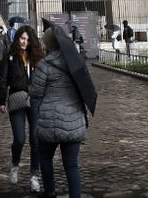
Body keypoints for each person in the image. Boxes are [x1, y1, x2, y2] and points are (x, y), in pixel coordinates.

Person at [31, 26, 90, 198]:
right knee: (71, 165)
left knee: (45, 159)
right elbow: (85, 88)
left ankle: (50, 192)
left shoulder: (44, 65)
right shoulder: (76, 63)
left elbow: (35, 93)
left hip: (50, 121)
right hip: (73, 121)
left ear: (48, 44)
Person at [0, 24, 43, 193]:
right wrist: (1, 100)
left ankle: (34, 176)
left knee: (35, 139)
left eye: (28, 40)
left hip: (35, 100)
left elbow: (45, 78)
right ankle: (15, 165)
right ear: (18, 39)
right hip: (17, 98)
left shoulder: (37, 56)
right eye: (22, 39)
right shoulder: (10, 55)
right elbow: (2, 78)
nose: (25, 42)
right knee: (20, 138)